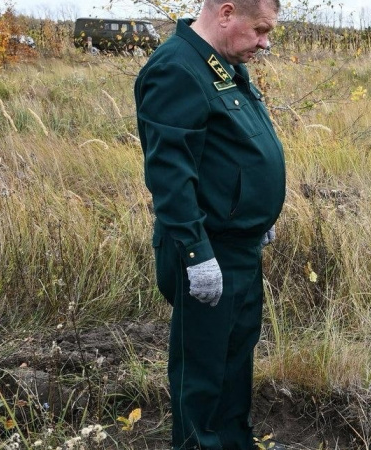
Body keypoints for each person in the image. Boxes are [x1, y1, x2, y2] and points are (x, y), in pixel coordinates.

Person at [134, 0, 285, 448]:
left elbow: (231, 149)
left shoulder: (220, 65)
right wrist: (197, 255)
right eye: (259, 29)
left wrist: (256, 214)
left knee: (234, 360)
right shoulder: (177, 70)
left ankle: (232, 442)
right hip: (207, 250)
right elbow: (170, 175)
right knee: (202, 370)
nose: (265, 41)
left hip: (239, 246)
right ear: (225, 13)